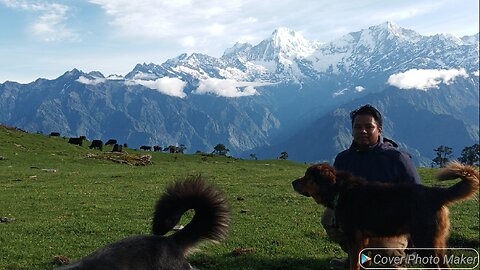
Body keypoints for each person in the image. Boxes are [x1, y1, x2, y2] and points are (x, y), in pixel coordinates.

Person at [321, 104, 420, 269]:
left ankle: (396, 259)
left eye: (369, 127)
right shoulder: (343, 159)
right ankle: (359, 258)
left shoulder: (397, 158)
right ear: (352, 130)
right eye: (358, 127)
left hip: (392, 222)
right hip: (358, 217)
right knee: (329, 218)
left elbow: (417, 196)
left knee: (384, 253)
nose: (363, 131)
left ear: (379, 130)